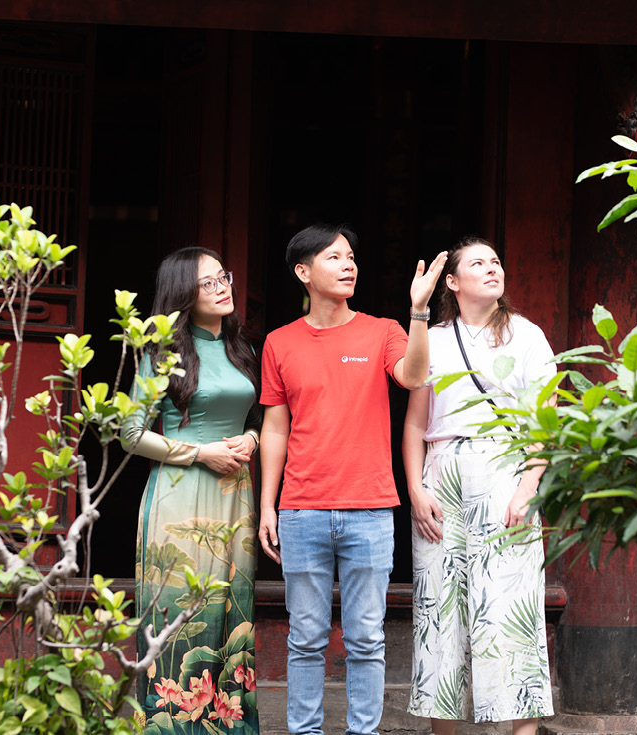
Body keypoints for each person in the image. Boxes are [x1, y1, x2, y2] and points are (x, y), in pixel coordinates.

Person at [257, 224, 447, 735]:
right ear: (303, 272)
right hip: (301, 510)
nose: (348, 265)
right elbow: (275, 428)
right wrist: (267, 505)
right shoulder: (279, 342)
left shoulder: (383, 330)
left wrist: (419, 311)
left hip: (370, 509)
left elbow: (413, 377)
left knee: (366, 639)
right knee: (305, 639)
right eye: (334, 257)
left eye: (351, 257)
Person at [403, 236, 555, 735]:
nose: (492, 268)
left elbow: (545, 420)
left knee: (511, 610)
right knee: (439, 609)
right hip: (441, 473)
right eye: (478, 263)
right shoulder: (434, 337)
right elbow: (415, 421)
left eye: (496, 261)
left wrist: (529, 484)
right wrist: (415, 489)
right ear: (452, 281)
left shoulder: (527, 336)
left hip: (506, 471)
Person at [123, 246, 261, 735]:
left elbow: (256, 418)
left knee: (231, 611)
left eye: (223, 277)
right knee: (183, 612)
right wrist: (200, 453)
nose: (222, 287)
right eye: (208, 283)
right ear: (184, 293)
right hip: (179, 497)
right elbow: (130, 433)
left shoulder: (241, 348)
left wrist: (252, 439)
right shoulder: (160, 354)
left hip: (235, 496)